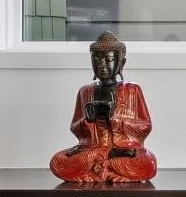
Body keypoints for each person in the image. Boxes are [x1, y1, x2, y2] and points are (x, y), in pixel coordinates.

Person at [49, 32, 158, 184]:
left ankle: (99, 169)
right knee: (58, 161)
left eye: (108, 60)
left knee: (148, 163)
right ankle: (106, 165)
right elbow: (75, 127)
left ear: (121, 63)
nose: (101, 65)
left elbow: (145, 126)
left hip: (123, 151)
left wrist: (113, 119)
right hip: (92, 149)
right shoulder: (85, 91)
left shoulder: (132, 90)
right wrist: (88, 120)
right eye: (96, 60)